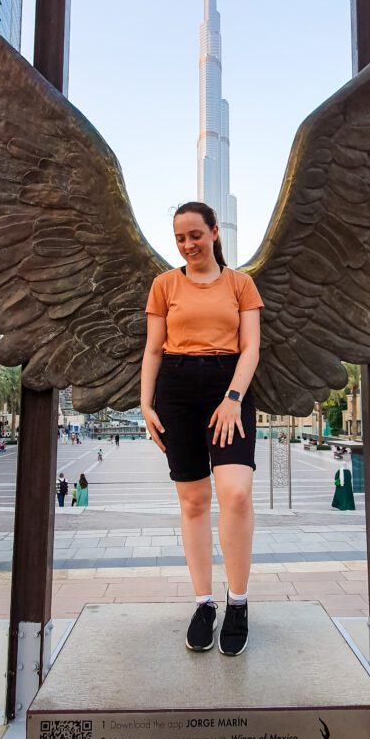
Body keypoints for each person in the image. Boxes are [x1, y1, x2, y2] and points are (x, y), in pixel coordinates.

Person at [142, 201, 263, 657]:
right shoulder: (164, 285)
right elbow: (154, 350)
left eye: (196, 234)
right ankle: (203, 603)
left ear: (214, 232)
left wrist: (233, 398)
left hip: (228, 384)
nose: (188, 244)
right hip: (176, 389)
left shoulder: (241, 284)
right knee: (193, 500)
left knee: (235, 493)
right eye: (180, 238)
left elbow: (250, 348)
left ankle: (238, 602)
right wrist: (145, 404)